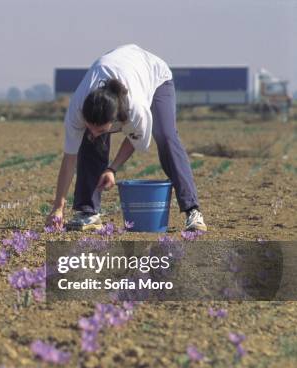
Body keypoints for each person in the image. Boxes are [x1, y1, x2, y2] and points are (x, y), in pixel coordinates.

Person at [45, 44, 206, 232]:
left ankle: (192, 211)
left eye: (101, 129)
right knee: (90, 141)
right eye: (90, 127)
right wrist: (58, 207)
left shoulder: (135, 109)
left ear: (115, 121)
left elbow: (135, 139)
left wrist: (112, 168)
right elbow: (69, 159)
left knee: (166, 136)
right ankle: (88, 212)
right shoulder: (78, 108)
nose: (95, 132)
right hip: (119, 68)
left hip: (155, 76)